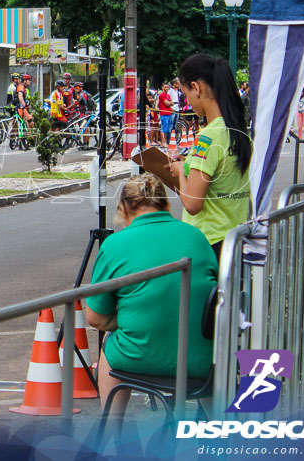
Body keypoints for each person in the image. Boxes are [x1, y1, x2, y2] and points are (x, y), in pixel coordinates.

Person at [84, 174, 217, 425]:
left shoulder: (115, 244)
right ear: (166, 205)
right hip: (200, 360)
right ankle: (224, 434)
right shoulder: (196, 236)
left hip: (140, 356)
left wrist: (126, 316)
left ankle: (111, 433)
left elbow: (96, 318)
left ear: (123, 208)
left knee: (111, 345)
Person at [169, 53, 252, 258]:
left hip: (208, 242)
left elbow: (193, 204)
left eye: (186, 94)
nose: (188, 102)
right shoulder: (239, 133)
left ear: (196, 88)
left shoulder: (208, 137)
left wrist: (180, 171)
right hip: (236, 238)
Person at [157, 82, 174, 148]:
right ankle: (163, 142)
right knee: (163, 128)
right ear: (162, 87)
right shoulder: (162, 95)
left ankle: (165, 142)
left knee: (167, 129)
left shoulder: (168, 96)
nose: (166, 88)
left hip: (169, 113)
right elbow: (167, 103)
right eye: (165, 87)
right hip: (164, 114)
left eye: (167, 87)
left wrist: (170, 103)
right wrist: (170, 103)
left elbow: (171, 103)